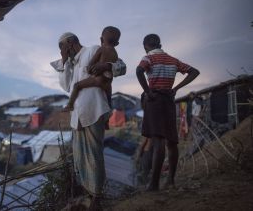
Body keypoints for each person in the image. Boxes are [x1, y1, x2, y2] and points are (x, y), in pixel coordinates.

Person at [50, 32, 126, 209]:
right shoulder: (71, 63)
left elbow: (121, 67)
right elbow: (66, 86)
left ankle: (96, 198)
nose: (61, 51)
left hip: (93, 111)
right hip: (77, 115)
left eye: (61, 47)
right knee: (81, 157)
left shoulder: (92, 50)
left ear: (70, 42)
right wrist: (63, 63)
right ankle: (88, 192)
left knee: (94, 155)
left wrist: (106, 65)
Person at [136, 33, 199, 191]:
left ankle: (154, 184)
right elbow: (194, 71)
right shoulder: (173, 60)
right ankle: (170, 180)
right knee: (172, 141)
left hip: (154, 101)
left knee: (158, 141)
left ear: (146, 45)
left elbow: (138, 71)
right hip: (169, 101)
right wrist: (176, 88)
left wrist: (148, 92)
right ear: (160, 44)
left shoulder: (148, 58)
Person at [63, 26, 121, 112]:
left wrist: (91, 69)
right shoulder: (115, 53)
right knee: (108, 95)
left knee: (77, 85)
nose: (65, 51)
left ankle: (70, 105)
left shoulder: (100, 49)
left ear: (101, 39)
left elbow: (90, 65)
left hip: (98, 80)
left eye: (64, 48)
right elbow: (117, 65)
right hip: (108, 82)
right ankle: (109, 105)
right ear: (117, 43)